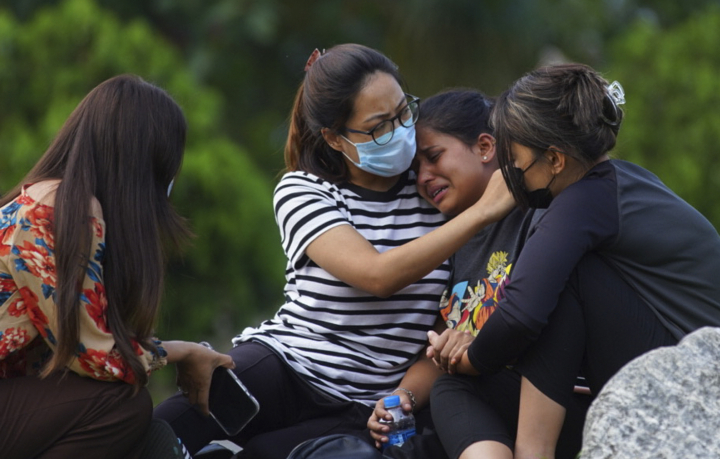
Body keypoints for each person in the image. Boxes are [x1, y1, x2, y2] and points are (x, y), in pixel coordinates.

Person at [154, 45, 512, 459]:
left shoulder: (435, 193)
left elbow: (442, 332)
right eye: (379, 126)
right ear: (334, 138)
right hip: (287, 367)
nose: (400, 131)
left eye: (403, 112)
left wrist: (403, 397)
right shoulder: (304, 191)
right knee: (158, 431)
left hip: (364, 405)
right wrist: (482, 213)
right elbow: (377, 276)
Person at [427, 64, 720, 459]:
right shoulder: (610, 189)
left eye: (515, 159)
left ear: (555, 159)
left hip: (711, 397)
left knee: (568, 279)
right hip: (679, 383)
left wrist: (469, 358)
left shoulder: (587, 201)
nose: (511, 172)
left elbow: (521, 314)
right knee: (450, 387)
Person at [0, 75, 234, 459]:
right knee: (121, 405)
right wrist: (183, 352)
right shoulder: (59, 211)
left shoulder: (57, 201)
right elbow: (98, 361)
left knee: (142, 429)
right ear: (145, 165)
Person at [365, 89, 591, 459]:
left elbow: (539, 319)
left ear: (486, 147)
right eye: (414, 170)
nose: (423, 177)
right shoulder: (450, 243)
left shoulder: (540, 214)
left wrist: (477, 347)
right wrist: (398, 400)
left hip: (562, 401)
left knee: (452, 390)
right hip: (497, 400)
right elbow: (440, 346)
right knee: (410, 435)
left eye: (433, 157)